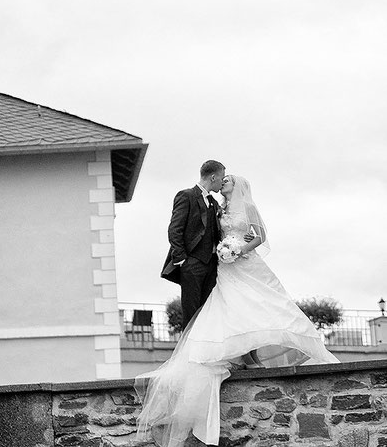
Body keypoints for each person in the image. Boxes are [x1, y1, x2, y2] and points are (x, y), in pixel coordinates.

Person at [138, 174, 337, 447]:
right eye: (224, 178)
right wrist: (221, 249)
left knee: (259, 304)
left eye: (229, 179)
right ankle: (245, 354)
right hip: (226, 266)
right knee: (231, 308)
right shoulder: (218, 208)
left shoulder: (249, 207)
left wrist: (241, 248)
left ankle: (262, 351)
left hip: (246, 262)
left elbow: (261, 236)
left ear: (238, 185)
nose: (225, 181)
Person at [161, 160, 226, 328]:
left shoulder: (213, 203)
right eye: (221, 178)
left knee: (208, 313)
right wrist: (182, 260)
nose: (222, 182)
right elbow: (174, 230)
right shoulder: (187, 196)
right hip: (192, 264)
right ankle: (188, 354)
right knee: (191, 314)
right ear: (213, 177)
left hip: (212, 266)